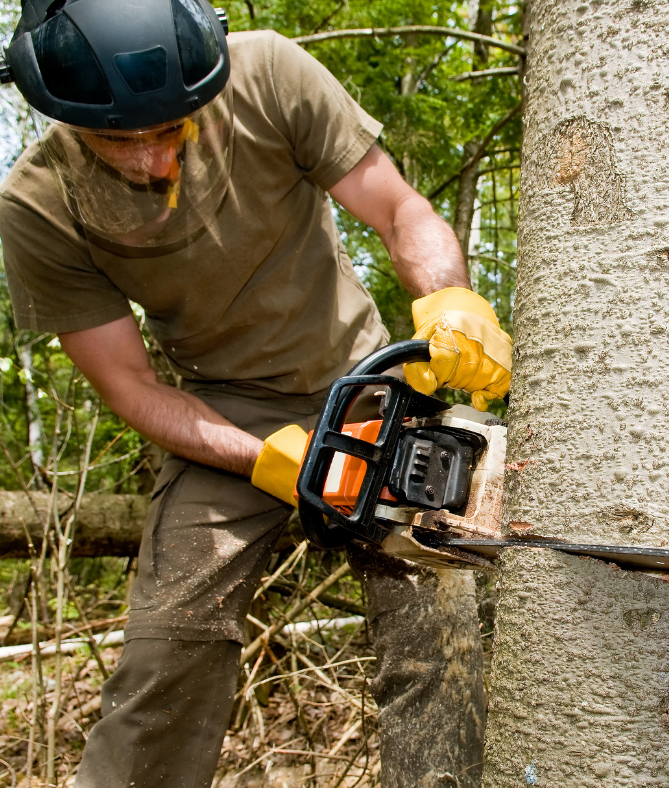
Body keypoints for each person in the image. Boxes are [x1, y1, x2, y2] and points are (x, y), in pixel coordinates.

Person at [0, 0, 511, 786]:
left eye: (170, 129)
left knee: (437, 632)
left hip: (367, 384)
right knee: (171, 642)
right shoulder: (36, 206)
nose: (154, 162)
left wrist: (452, 303)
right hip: (219, 410)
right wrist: (264, 459)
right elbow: (129, 386)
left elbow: (400, 209)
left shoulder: (268, 72)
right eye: (119, 142)